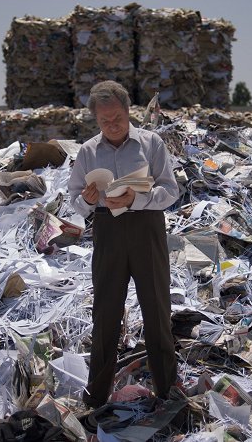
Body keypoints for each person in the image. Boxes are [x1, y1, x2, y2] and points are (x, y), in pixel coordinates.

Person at [68, 80, 179, 408]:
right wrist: (87, 201)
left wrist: (138, 198)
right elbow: (74, 199)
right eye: (104, 121)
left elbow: (171, 191)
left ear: (128, 112)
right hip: (108, 230)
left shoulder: (151, 143)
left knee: (157, 309)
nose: (112, 125)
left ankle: (167, 389)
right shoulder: (88, 151)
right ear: (96, 120)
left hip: (146, 228)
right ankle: (97, 395)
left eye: (116, 117)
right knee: (106, 312)